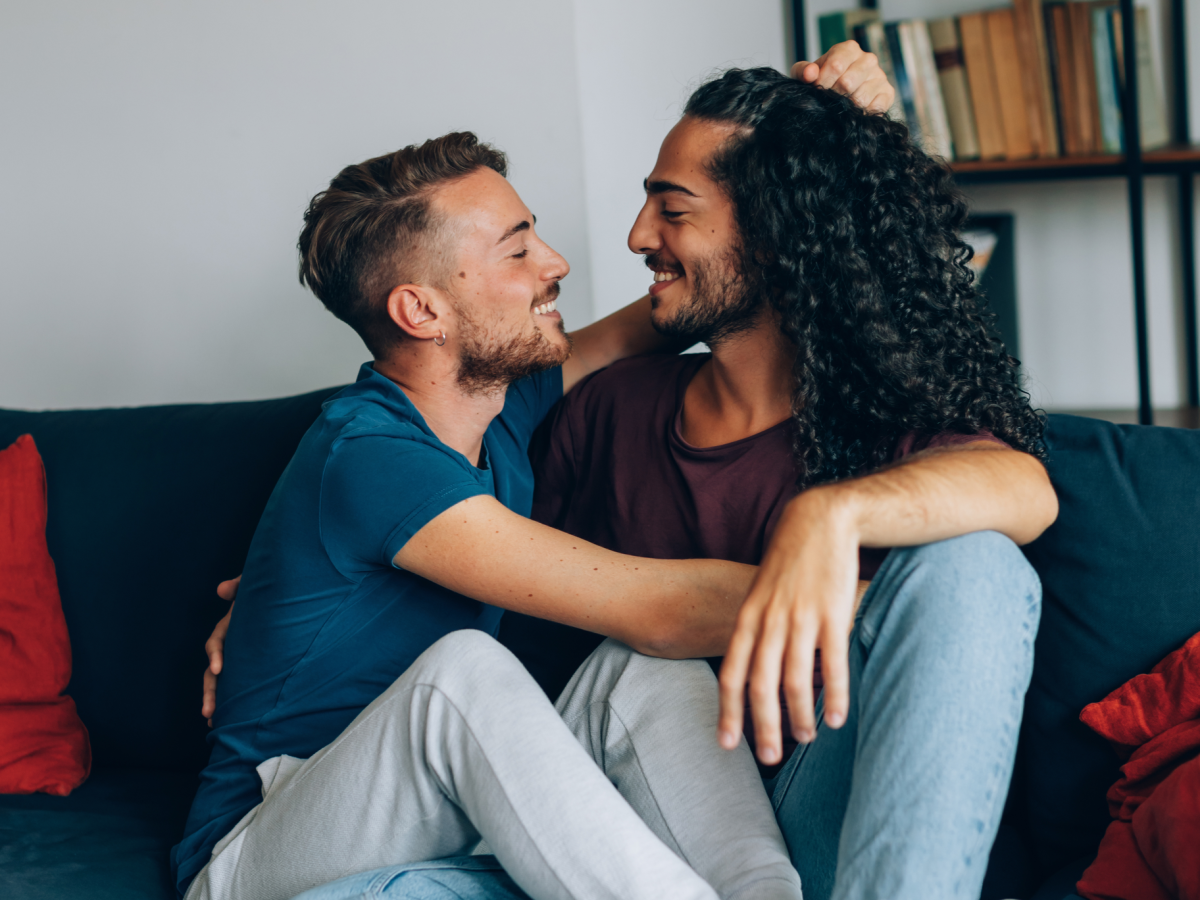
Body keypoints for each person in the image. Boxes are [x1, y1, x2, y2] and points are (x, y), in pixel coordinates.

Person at [273, 66, 1058, 900]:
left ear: (779, 235)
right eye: (518, 248)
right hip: (604, 824)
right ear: (419, 309)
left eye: (672, 209)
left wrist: (831, 519)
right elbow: (641, 605)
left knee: (975, 565)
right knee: (625, 664)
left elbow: (1026, 493)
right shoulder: (570, 414)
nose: (623, 239)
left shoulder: (864, 418)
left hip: (833, 815)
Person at [177, 45, 898, 900]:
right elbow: (658, 604)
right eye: (517, 250)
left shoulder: (501, 408)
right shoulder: (367, 453)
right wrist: (880, 607)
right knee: (465, 676)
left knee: (645, 672)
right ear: (421, 310)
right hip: (261, 844)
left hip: (431, 823)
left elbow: (688, 303)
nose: (556, 263)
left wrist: (853, 144)